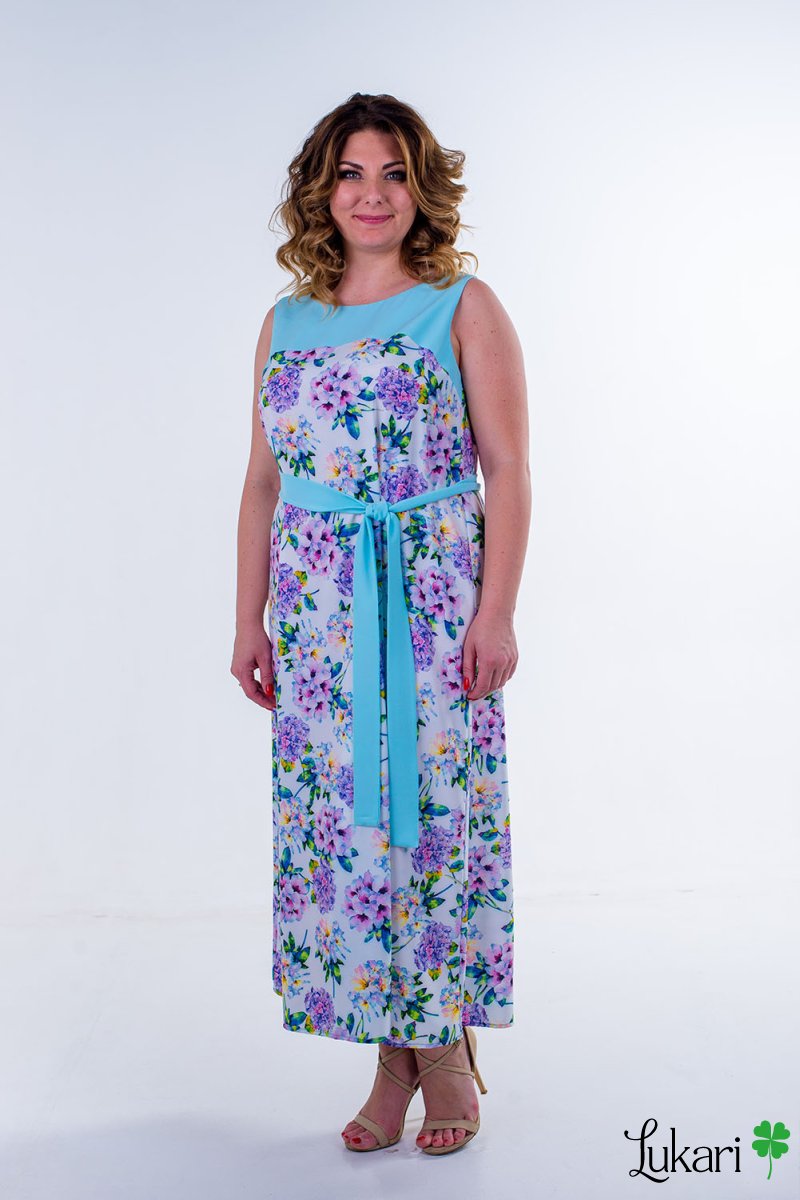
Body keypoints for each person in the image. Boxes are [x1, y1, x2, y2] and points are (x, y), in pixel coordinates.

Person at [231, 92, 531, 1156]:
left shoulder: (460, 303)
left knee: (430, 818)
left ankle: (439, 1045)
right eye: (351, 173)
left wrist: (497, 612)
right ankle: (392, 1051)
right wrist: (249, 619)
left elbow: (506, 467)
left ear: (421, 188)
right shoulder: (287, 321)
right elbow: (263, 482)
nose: (372, 194)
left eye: (394, 172)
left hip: (431, 606)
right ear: (321, 191)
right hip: (319, 626)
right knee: (348, 827)